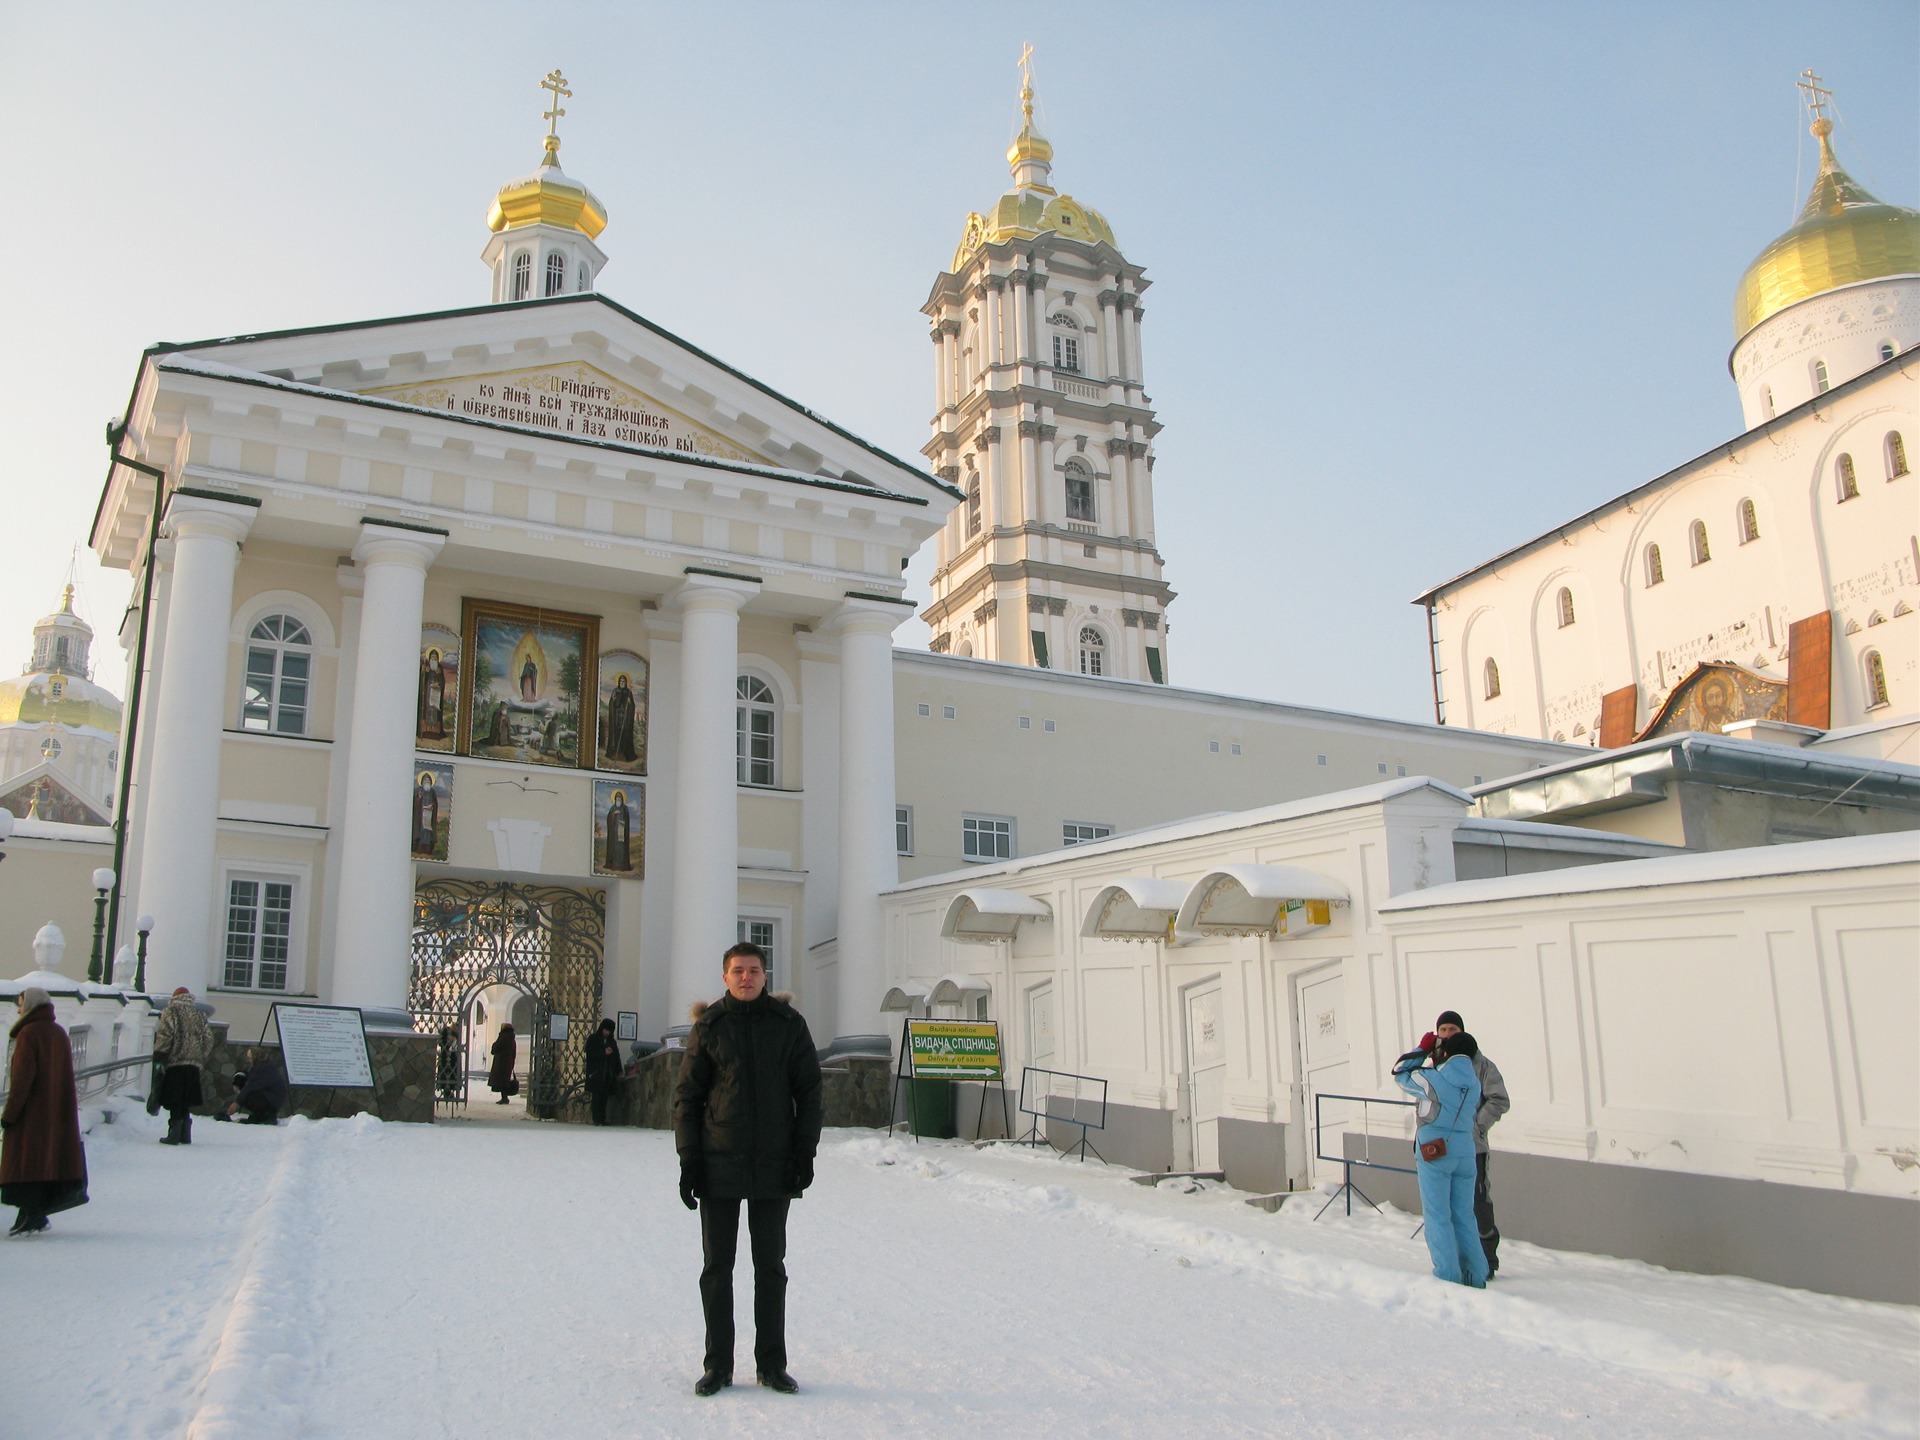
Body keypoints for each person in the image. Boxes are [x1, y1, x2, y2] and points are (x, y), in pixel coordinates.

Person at [674, 942, 822, 1397]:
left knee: (770, 1268)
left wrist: (804, 1153)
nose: (746, 978)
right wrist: (690, 1160)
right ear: (725, 977)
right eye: (738, 971)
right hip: (719, 1163)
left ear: (764, 976)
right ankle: (717, 1365)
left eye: (754, 970)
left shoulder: (789, 1026)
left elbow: (811, 1092)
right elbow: (687, 1098)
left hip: (774, 1164)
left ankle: (771, 1365)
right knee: (717, 1268)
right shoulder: (710, 1027)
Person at [1392, 1031, 1488, 1288]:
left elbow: (1400, 1073)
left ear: (1446, 1052)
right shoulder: (1474, 1084)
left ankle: (1447, 1274)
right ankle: (1475, 1273)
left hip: (1434, 1151)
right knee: (1464, 1215)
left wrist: (1423, 1049)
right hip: (1466, 1152)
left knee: (1437, 1215)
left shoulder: (1434, 1079)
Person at [2, 988, 88, 1236]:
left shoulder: (29, 1034)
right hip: (53, 1113)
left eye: (21, 1004)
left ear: (30, 1006)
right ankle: (32, 1215)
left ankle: (33, 1215)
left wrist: (10, 1114)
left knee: (27, 1164)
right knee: (44, 1163)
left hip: (30, 1114)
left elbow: (21, 1081)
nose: (19, 1009)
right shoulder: (58, 1032)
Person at [1434, 1008, 1510, 1277]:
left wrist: (1476, 1126)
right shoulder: (1434, 1062)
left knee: (1477, 1202)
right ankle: (1457, 1259)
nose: (1447, 1035)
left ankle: (1487, 1259)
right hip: (1440, 1148)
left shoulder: (1481, 1064)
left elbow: (1499, 1099)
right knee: (1445, 1206)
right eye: (1442, 1030)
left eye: (1452, 1030)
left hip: (1472, 1148)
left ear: (1462, 1031)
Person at [152, 986, 213, 1146]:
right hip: (193, 1064)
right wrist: (200, 1056)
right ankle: (185, 1134)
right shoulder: (199, 1015)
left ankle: (174, 1133)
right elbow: (208, 1039)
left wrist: (159, 1056)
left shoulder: (171, 1012)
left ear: (175, 997)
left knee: (175, 1098)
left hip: (175, 1062)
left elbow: (165, 1035)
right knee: (186, 1098)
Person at [220, 1048, 287, 1125]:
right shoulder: (263, 1064)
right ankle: (262, 1115)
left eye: (250, 1058)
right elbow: (249, 1075)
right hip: (272, 1097)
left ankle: (266, 1115)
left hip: (273, 1100)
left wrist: (236, 1103)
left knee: (248, 1095)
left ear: (256, 1057)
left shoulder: (263, 1069)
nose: (248, 1060)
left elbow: (250, 1087)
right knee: (245, 1091)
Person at [583, 1017, 622, 1126]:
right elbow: (590, 1053)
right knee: (596, 1097)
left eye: (609, 1031)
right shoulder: (593, 1039)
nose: (607, 1033)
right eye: (605, 1030)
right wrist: (603, 1052)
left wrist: (619, 1071)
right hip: (596, 1073)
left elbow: (616, 1057)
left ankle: (602, 1118)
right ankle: (596, 1119)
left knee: (604, 1098)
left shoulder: (612, 1042)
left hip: (607, 1075)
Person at [488, 1022, 517, 1104]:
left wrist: (494, 1045)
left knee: (501, 1081)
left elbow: (495, 1049)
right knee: (505, 1080)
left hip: (500, 1063)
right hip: (508, 1062)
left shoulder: (503, 1037)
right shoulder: (512, 1038)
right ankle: (504, 1097)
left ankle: (504, 1098)